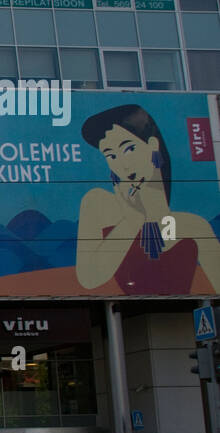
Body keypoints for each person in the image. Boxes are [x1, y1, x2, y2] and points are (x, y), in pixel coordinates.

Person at [76, 104, 220, 294]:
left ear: (153, 145)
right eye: (111, 155)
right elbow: (88, 279)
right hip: (118, 316)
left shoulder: (192, 226)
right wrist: (131, 221)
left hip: (184, 318)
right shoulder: (99, 202)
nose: (122, 164)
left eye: (128, 149)